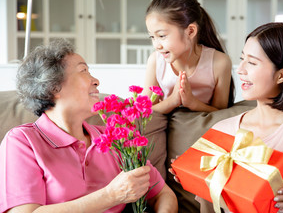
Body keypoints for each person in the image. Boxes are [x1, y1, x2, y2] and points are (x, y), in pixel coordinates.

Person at [171, 22, 283, 213]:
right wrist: (196, 179)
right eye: (242, 59)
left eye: (252, 62)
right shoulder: (222, 131)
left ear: (282, 75)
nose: (240, 70)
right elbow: (209, 208)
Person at [0, 39, 178, 213]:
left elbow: (162, 194)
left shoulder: (114, 140)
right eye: (83, 71)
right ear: (53, 87)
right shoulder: (22, 141)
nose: (96, 81)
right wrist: (111, 195)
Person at [143, 0, 235, 114]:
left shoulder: (220, 62)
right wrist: (172, 101)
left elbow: (220, 112)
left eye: (162, 36)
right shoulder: (155, 61)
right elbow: (143, 112)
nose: (156, 45)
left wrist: (193, 103)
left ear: (190, 31)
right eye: (152, 37)